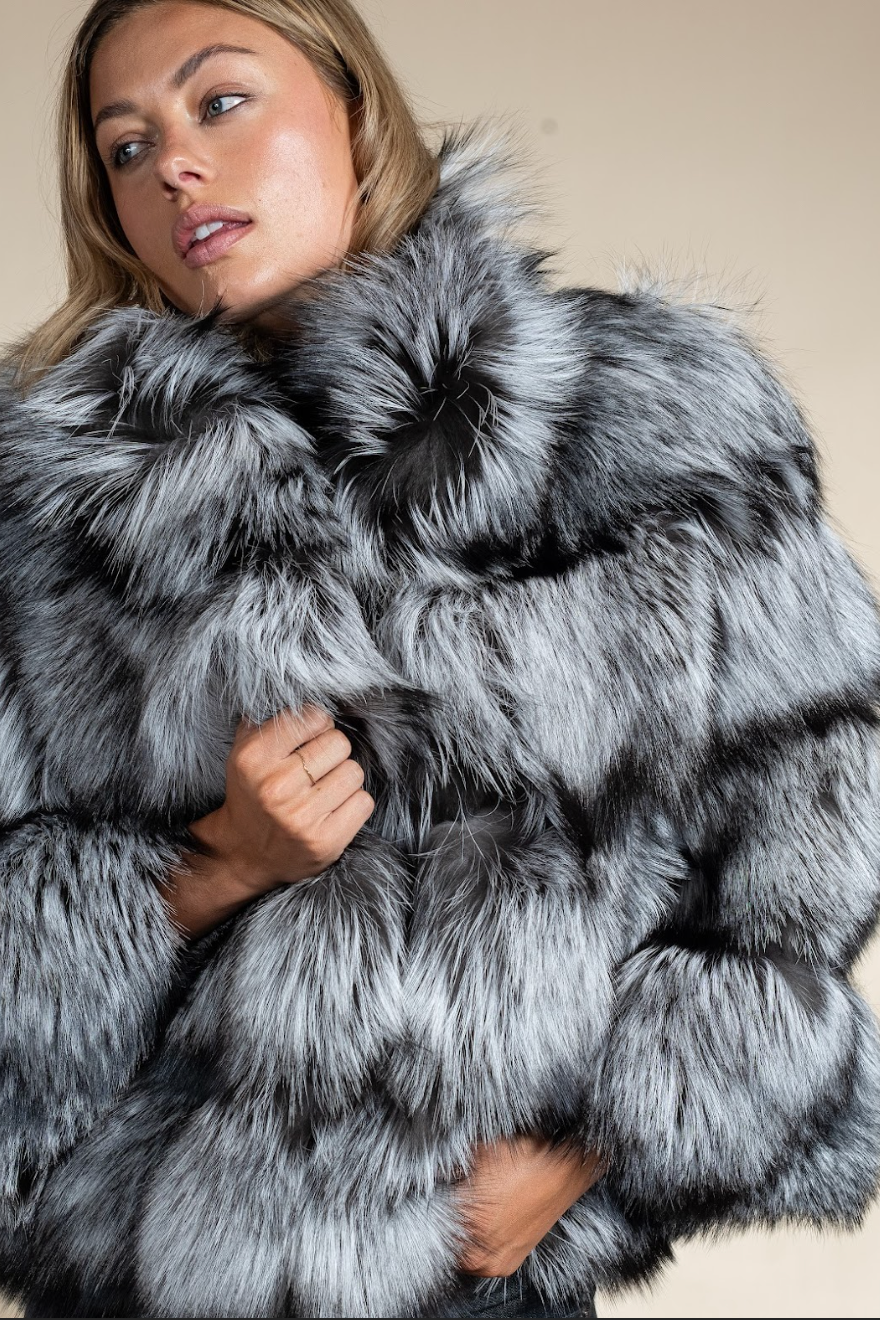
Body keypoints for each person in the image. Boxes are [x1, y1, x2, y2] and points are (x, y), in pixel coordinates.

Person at [0, 1, 878, 1317]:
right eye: (127, 147)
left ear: (353, 110)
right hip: (167, 1278)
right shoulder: (53, 517)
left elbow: (811, 826)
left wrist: (584, 1155)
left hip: (486, 1281)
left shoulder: (647, 419)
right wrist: (216, 866)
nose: (174, 164)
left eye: (220, 102)